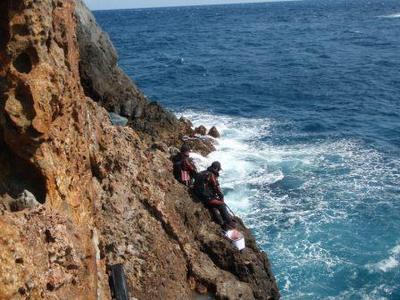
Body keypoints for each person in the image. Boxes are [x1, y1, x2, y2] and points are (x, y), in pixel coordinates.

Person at [194, 161, 235, 230]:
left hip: (197, 195)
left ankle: (221, 223)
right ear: (216, 168)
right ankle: (228, 223)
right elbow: (217, 188)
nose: (219, 171)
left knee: (213, 206)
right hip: (206, 198)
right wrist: (221, 198)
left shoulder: (202, 172)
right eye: (218, 169)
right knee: (221, 205)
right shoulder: (211, 175)